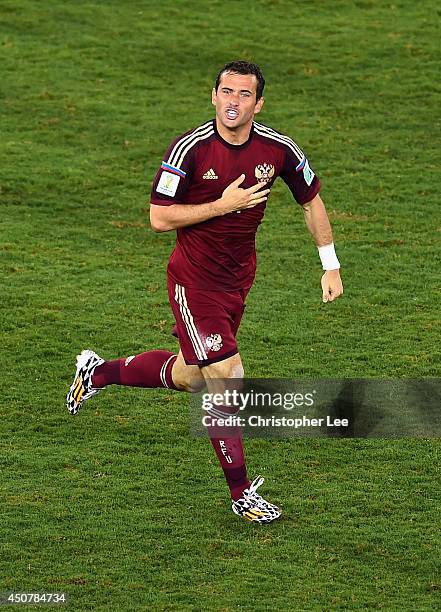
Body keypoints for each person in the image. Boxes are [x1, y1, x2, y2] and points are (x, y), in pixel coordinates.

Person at [66, 60, 343, 524]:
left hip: (238, 281)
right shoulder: (189, 150)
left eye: (244, 94)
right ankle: (241, 494)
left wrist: (329, 265)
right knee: (227, 376)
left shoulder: (278, 150)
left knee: (194, 377)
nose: (233, 102)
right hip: (193, 281)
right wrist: (222, 205)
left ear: (259, 103)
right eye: (226, 92)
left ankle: (98, 373)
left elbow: (310, 201)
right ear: (213, 95)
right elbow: (158, 218)